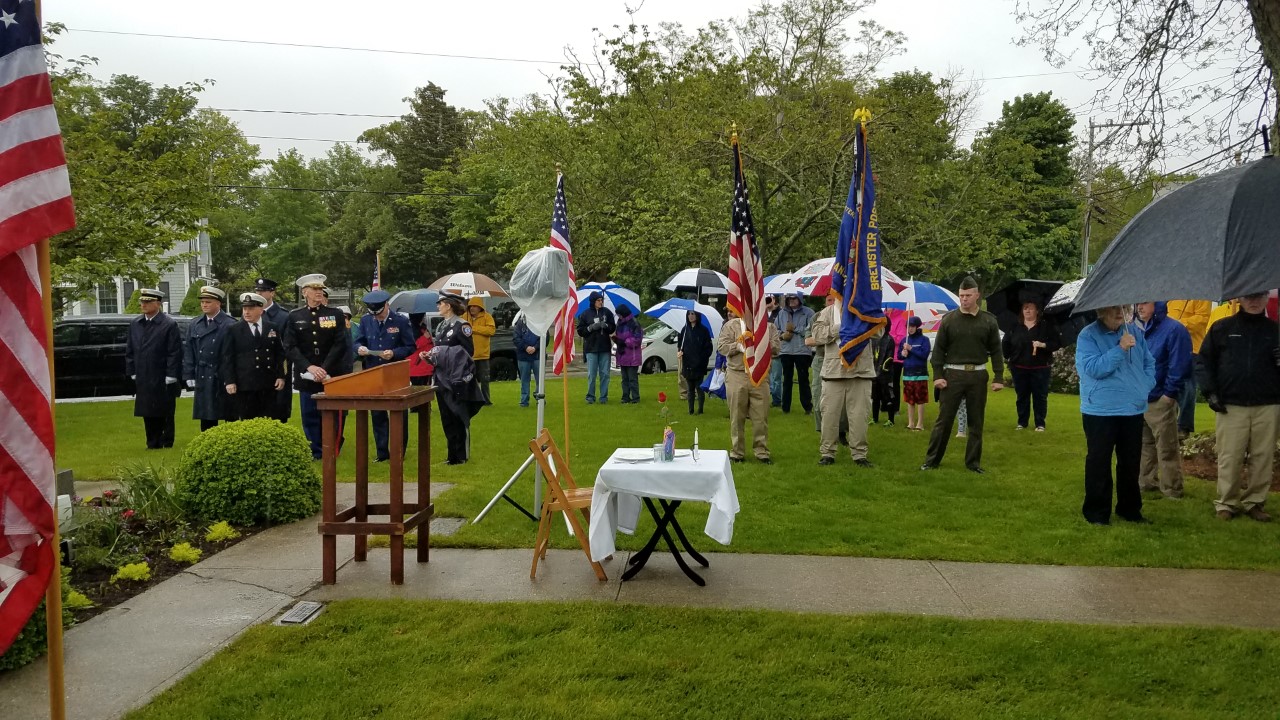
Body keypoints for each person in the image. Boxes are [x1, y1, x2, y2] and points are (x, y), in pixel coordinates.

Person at [1197, 291, 1280, 522]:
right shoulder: (1221, 328)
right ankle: (1227, 502)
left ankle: (1255, 502)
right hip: (1231, 405)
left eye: (1259, 296)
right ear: (1239, 299)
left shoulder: (1275, 331)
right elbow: (1203, 362)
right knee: (1229, 457)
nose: (1254, 301)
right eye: (1249, 297)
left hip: (1268, 404)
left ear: (1266, 299)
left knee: (1263, 457)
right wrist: (1210, 392)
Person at [1076, 305, 1156, 525]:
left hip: (1132, 408)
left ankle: (1130, 510)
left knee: (1130, 462)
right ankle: (1096, 513)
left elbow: (1149, 362)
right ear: (1101, 310)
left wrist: (1145, 385)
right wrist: (1119, 349)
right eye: (1113, 309)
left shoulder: (1134, 332)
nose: (1120, 312)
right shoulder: (1088, 335)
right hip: (1100, 410)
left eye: (1123, 308)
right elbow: (1092, 368)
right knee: (1099, 461)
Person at [920, 277, 1003, 473]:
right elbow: (938, 351)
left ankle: (973, 463)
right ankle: (932, 461)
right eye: (961, 296)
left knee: (976, 422)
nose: (964, 299)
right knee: (944, 421)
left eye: (967, 296)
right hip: (953, 376)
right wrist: (938, 375)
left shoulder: (989, 321)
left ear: (977, 296)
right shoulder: (949, 319)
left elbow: (996, 351)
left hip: (978, 376)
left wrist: (998, 377)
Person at [283, 274, 352, 460]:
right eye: (314, 290)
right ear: (305, 292)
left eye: (321, 289)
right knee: (310, 414)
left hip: (330, 374)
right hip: (307, 376)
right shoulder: (295, 316)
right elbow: (290, 346)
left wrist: (324, 368)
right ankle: (316, 451)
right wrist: (309, 367)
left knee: (333, 414)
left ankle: (332, 448)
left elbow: (340, 343)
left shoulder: (334, 314)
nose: (318, 293)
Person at [811, 297, 878, 467]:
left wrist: (861, 321)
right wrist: (838, 329)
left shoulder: (865, 308)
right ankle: (827, 453)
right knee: (829, 416)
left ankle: (859, 454)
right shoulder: (828, 312)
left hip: (860, 371)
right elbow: (817, 335)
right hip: (834, 372)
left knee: (859, 416)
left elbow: (880, 331)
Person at [1135, 301, 1192, 499]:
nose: (1139, 307)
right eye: (1137, 304)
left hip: (1160, 398)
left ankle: (1172, 488)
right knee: (1144, 444)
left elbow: (1179, 365)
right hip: (1140, 397)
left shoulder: (1174, 329)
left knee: (1166, 446)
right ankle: (1146, 482)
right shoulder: (1138, 329)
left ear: (1156, 304)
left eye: (1143, 303)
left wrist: (1169, 395)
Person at [355, 289, 418, 462]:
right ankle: (382, 452)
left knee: (398, 412)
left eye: (380, 314)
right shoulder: (366, 320)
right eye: (374, 314)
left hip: (395, 371)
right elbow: (358, 341)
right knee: (377, 413)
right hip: (373, 371)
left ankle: (398, 451)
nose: (378, 317)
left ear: (387, 305)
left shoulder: (401, 321)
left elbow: (410, 346)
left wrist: (394, 353)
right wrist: (359, 349)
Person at [717, 307, 781, 463]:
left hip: (759, 376)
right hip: (737, 374)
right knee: (736, 415)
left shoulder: (769, 327)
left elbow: (777, 348)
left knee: (761, 416)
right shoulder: (731, 326)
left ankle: (761, 451)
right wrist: (738, 345)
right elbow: (722, 347)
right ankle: (737, 452)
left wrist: (761, 343)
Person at [125, 288, 182, 449]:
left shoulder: (168, 324)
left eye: (148, 302)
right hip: (143, 374)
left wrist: (171, 374)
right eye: (142, 301)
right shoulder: (136, 324)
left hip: (162, 374)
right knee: (147, 409)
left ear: (158, 304)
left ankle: (166, 440)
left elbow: (174, 351)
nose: (143, 304)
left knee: (165, 410)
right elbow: (130, 349)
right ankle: (152, 442)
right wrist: (132, 371)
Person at [430, 292, 481, 464]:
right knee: (446, 417)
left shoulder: (462, 326)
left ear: (448, 305)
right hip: (441, 377)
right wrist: (429, 356)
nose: (438, 306)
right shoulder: (441, 326)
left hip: (456, 379)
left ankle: (462, 456)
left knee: (458, 415)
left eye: (440, 303)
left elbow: (468, 353)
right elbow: (439, 350)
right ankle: (452, 455)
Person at [219, 292, 286, 421]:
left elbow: (280, 354)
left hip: (268, 383)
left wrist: (281, 376)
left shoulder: (272, 327)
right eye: (245, 309)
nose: (247, 312)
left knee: (268, 420)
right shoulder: (234, 329)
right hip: (245, 384)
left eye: (251, 309)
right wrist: (230, 381)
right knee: (247, 420)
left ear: (261, 310)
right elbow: (227, 357)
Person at [1001, 300, 1062, 431]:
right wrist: (1009, 357)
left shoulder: (1045, 326)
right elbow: (1006, 342)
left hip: (1040, 368)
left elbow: (1056, 343)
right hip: (1019, 367)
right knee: (1022, 396)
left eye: (1031, 308)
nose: (1027, 311)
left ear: (1037, 311)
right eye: (1025, 308)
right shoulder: (1015, 326)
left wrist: (1043, 345)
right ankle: (1022, 423)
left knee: (1040, 396)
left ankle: (1040, 423)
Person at [183, 286, 235, 431]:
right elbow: (189, 350)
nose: (204, 305)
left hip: (221, 373)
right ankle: (207, 442)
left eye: (208, 302)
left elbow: (233, 354)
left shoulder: (230, 324)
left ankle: (230, 442)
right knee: (206, 413)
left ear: (218, 303)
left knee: (228, 412)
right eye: (202, 302)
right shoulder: (195, 324)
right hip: (203, 373)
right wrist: (189, 373)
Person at [1165, 299, 1211, 436]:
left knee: (1187, 388)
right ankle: (1169, 423)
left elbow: (1201, 320)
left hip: (1191, 349)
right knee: (1169, 387)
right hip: (1171, 348)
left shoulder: (1202, 298)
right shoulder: (1171, 298)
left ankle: (1183, 426)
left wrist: (1179, 324)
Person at [255, 277, 293, 423]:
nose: (259, 293)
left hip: (276, 371)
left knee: (277, 413)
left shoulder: (283, 316)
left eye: (263, 291)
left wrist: (282, 374)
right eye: (257, 291)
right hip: (256, 373)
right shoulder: (250, 314)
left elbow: (287, 349)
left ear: (272, 293)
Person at [776, 293, 816, 414]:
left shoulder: (809, 313)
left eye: (794, 298)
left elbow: (812, 330)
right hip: (785, 350)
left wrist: (795, 329)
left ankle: (807, 407)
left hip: (802, 351)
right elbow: (776, 329)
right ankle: (785, 408)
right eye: (789, 299)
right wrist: (782, 335)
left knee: (803, 379)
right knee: (786, 379)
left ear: (800, 299)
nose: (791, 301)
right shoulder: (782, 313)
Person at [576, 291, 616, 404]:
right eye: (598, 300)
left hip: (604, 347)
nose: (600, 302)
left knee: (605, 374)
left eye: (601, 300)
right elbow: (580, 331)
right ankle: (590, 396)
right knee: (592, 374)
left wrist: (607, 326)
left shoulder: (607, 312)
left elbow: (613, 327)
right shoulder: (585, 314)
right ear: (593, 301)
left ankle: (603, 397)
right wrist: (591, 328)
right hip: (591, 347)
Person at [678, 309, 714, 415]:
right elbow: (680, 344)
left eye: (693, 314)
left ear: (697, 315)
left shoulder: (703, 330)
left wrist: (702, 358)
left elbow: (708, 348)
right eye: (689, 314)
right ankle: (691, 409)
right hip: (688, 363)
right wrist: (680, 351)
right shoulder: (684, 330)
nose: (691, 316)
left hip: (699, 364)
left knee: (699, 387)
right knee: (690, 388)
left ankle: (700, 409)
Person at [900, 316, 931, 431]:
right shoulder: (904, 340)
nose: (910, 329)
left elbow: (924, 355)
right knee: (909, 399)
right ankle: (911, 423)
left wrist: (911, 349)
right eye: (908, 326)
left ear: (917, 327)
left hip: (920, 373)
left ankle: (920, 423)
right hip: (907, 373)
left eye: (912, 326)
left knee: (920, 399)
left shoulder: (924, 340)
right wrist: (903, 353)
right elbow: (899, 356)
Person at [466, 297, 496, 405]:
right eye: (470, 306)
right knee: (469, 379)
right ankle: (472, 400)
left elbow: (491, 330)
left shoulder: (487, 317)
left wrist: (474, 328)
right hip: (468, 355)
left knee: (485, 379)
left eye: (474, 306)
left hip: (483, 355)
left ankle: (486, 400)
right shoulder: (464, 317)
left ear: (480, 307)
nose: (472, 308)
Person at [614, 305, 644, 403]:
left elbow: (637, 339)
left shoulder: (634, 323)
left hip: (632, 356)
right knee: (624, 379)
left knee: (632, 378)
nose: (619, 316)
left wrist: (625, 342)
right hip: (622, 354)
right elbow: (618, 335)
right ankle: (625, 397)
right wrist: (616, 339)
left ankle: (635, 398)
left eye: (619, 314)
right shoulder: (619, 323)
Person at [871, 330, 901, 427]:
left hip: (886, 374)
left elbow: (889, 357)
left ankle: (890, 420)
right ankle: (875, 418)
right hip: (875, 372)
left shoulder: (889, 339)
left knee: (888, 396)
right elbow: (872, 354)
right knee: (875, 397)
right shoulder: (874, 338)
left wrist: (882, 369)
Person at [512, 313, 541, 407]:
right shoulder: (520, 324)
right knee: (524, 379)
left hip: (537, 356)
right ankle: (524, 401)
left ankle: (540, 399)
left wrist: (535, 347)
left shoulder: (541, 323)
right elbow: (516, 338)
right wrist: (526, 347)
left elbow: (545, 338)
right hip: (523, 357)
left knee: (539, 380)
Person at [766, 296, 784, 407]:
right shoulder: (760, 313)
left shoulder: (780, 313)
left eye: (769, 299)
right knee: (766, 378)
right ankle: (766, 398)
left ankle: (777, 400)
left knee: (776, 377)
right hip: (763, 351)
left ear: (774, 300)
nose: (767, 302)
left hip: (775, 351)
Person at [408, 317, 435, 388]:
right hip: (418, 367)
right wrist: (424, 338)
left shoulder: (422, 328)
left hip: (424, 366)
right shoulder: (412, 329)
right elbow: (412, 345)